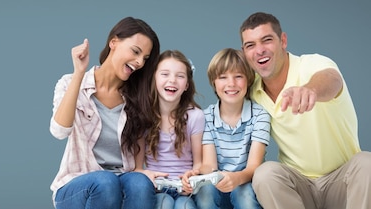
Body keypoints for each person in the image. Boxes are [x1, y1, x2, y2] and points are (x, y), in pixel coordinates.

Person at [239, 12, 371, 209]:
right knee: (265, 173)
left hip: (342, 182)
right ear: (244, 52)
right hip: (299, 187)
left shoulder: (311, 64)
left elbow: (332, 79)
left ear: (283, 41)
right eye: (251, 45)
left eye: (267, 40)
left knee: (366, 162)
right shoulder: (252, 91)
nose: (259, 51)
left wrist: (311, 90)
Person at [49, 16, 161, 209]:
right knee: (105, 182)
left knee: (140, 183)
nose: (139, 62)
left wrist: (140, 171)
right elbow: (60, 131)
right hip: (77, 184)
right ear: (114, 42)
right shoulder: (70, 83)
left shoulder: (137, 96)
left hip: (121, 179)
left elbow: (140, 144)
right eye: (135, 51)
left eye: (145, 58)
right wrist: (78, 73)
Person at [186, 48, 270, 209]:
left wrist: (236, 179)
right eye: (223, 77)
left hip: (245, 181)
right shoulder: (207, 117)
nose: (231, 84)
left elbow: (254, 167)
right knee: (205, 195)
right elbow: (210, 165)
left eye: (238, 76)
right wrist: (197, 173)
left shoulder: (260, 115)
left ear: (249, 80)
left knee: (244, 196)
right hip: (216, 182)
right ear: (214, 82)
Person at [133, 50, 204, 209]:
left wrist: (191, 178)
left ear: (186, 84)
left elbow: (199, 164)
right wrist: (147, 176)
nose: (172, 80)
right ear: (154, 79)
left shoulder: (195, 116)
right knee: (163, 205)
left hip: (185, 189)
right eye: (165, 74)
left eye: (180, 76)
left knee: (184, 207)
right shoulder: (143, 116)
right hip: (157, 189)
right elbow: (137, 167)